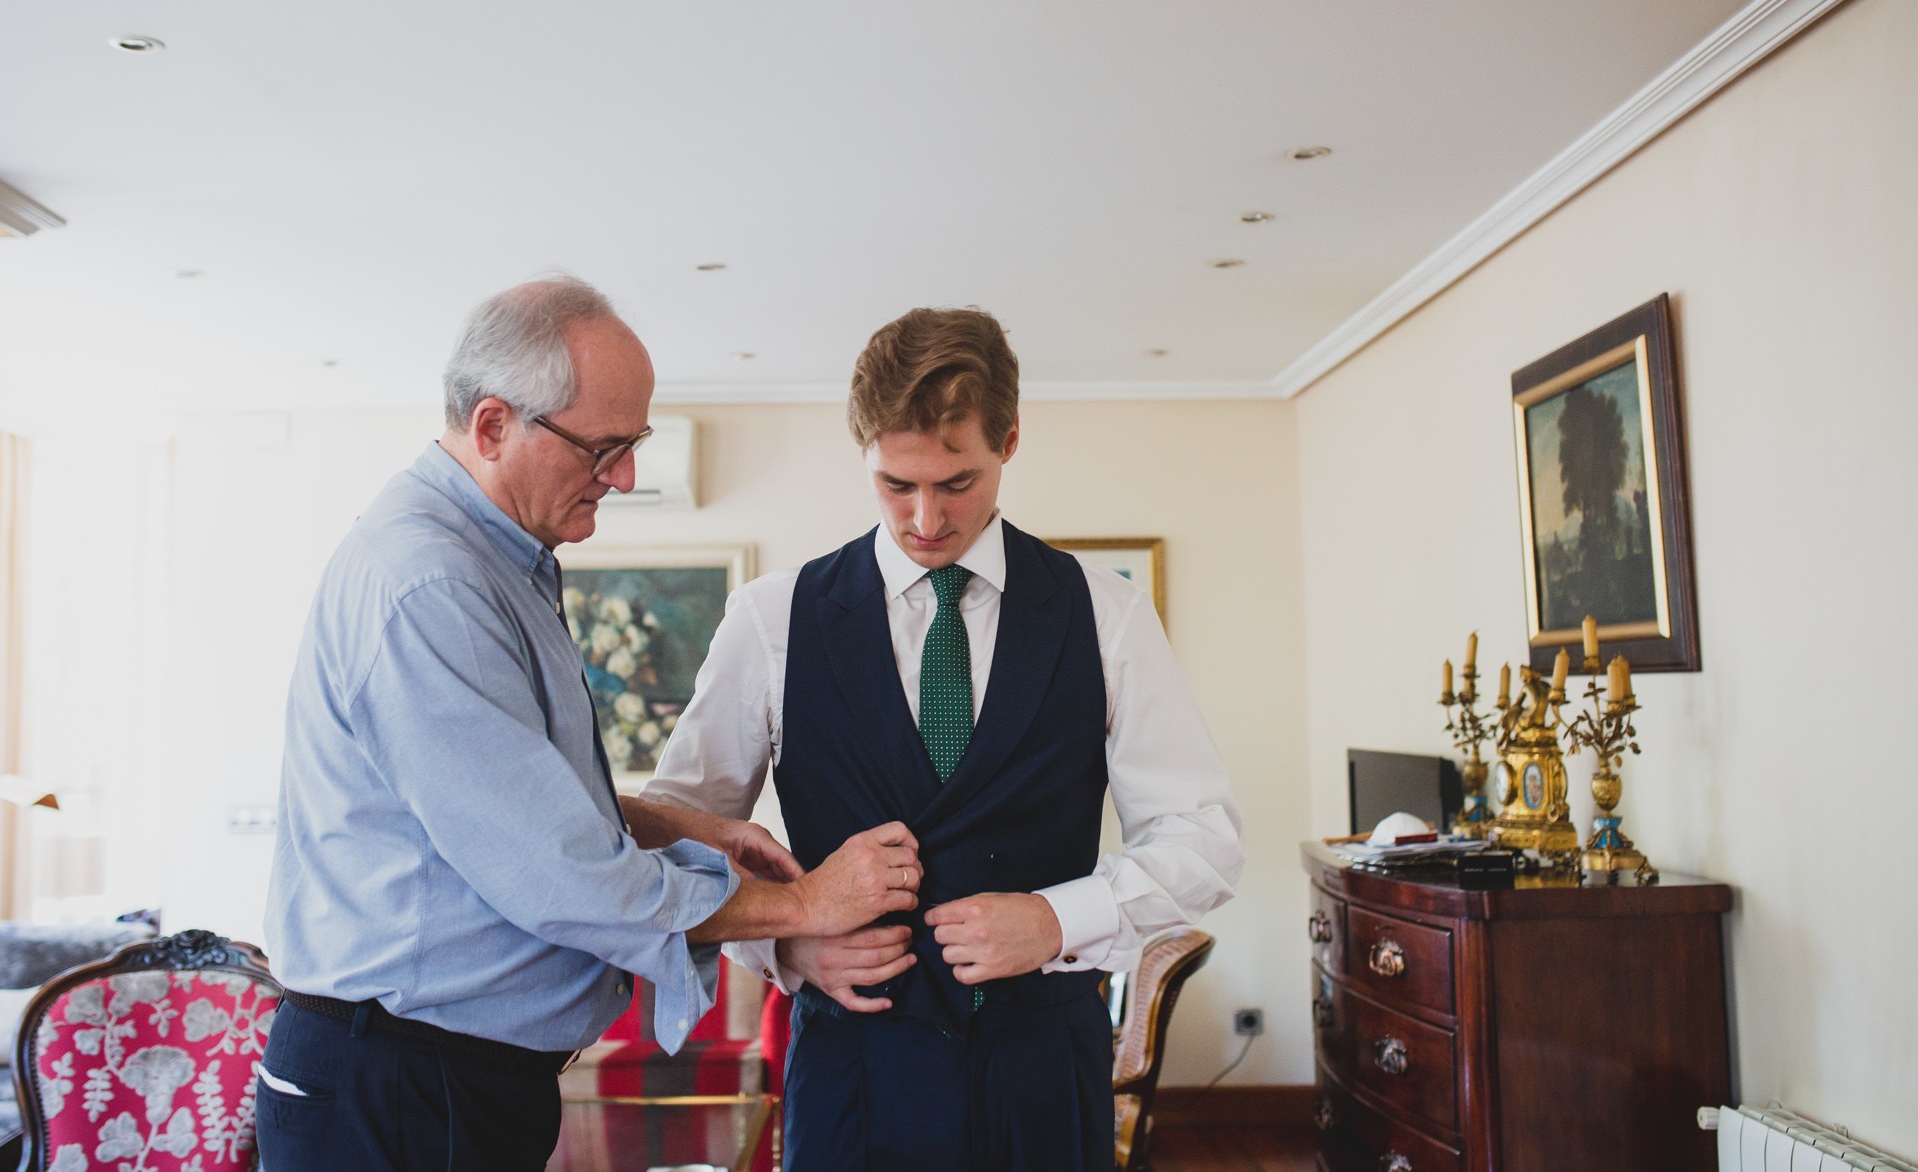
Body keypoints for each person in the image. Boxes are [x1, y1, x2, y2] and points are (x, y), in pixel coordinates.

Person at [260, 277, 922, 1172]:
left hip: (449, 1082)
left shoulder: (498, 563)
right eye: (603, 447)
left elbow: (517, 797)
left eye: (634, 443)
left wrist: (690, 825)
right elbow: (558, 871)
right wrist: (806, 903)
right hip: (404, 1086)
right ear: (492, 425)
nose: (626, 475)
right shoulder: (433, 586)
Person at [644, 306, 1244, 1171]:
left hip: (1043, 1074)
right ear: (864, 455)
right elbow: (675, 832)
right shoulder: (771, 619)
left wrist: (1054, 917)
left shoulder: (1105, 613)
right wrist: (784, 937)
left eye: (957, 482)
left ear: (1008, 440)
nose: (925, 517)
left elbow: (1206, 837)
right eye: (896, 483)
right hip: (852, 1074)